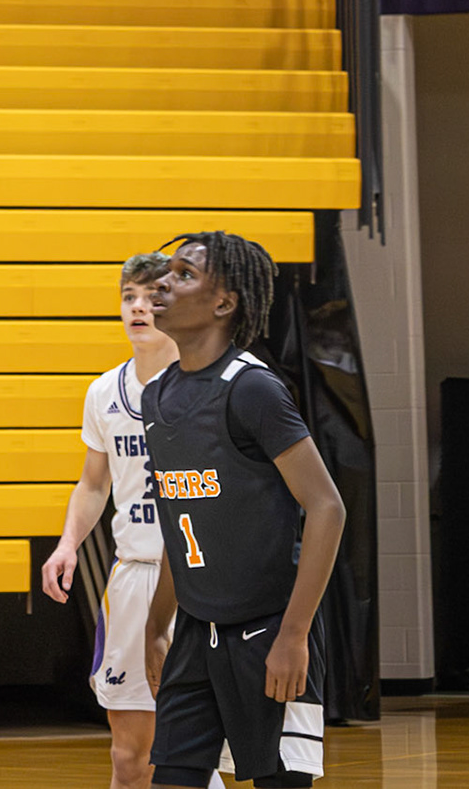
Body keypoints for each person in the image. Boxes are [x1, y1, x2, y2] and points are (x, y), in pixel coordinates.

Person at [141, 233, 347, 789]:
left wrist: (295, 634)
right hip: (195, 632)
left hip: (270, 630)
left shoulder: (251, 388)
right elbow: (181, 525)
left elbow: (327, 506)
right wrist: (157, 624)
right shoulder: (155, 397)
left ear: (224, 302)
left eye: (183, 274)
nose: (161, 283)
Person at [43, 253, 220, 789]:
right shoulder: (103, 392)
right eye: (129, 298)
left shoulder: (209, 387)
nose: (138, 308)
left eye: (149, 297)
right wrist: (68, 543)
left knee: (193, 748)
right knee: (128, 757)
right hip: (133, 576)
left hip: (197, 581)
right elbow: (94, 484)